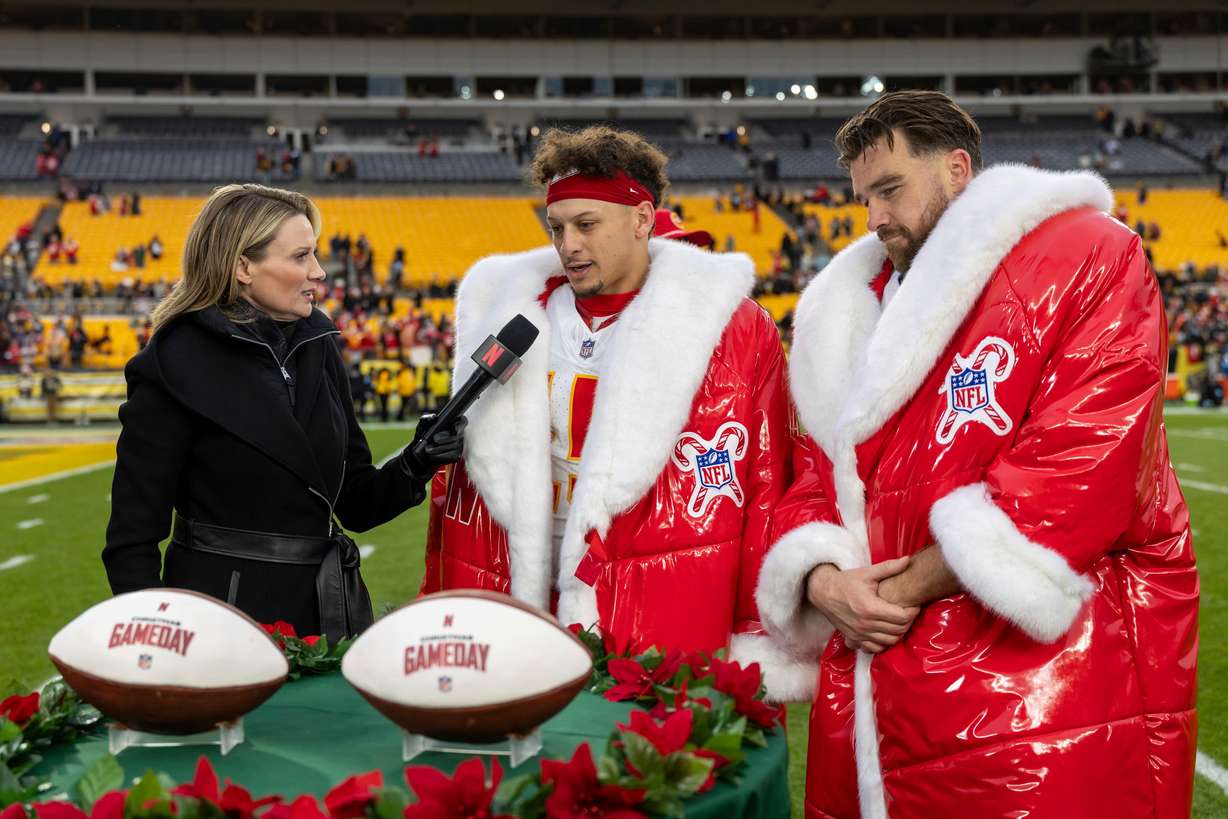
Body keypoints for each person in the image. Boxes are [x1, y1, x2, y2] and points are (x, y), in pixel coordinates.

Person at [755, 91, 1198, 816]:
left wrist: (887, 595)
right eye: (864, 197)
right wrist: (825, 581)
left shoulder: (1086, 255)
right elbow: (810, 478)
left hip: (1038, 690)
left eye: (891, 189)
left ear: (957, 169)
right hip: (871, 692)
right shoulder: (840, 310)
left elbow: (1079, 470)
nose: (875, 219)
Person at [422, 126, 797, 694]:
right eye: (557, 228)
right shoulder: (511, 317)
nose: (567, 244)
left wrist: (757, 632)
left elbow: (766, 486)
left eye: (586, 225)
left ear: (642, 218)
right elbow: (460, 498)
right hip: (521, 592)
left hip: (658, 603)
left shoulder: (733, 329)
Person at [103, 184, 467, 641]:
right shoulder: (174, 362)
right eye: (301, 257)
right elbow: (131, 540)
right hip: (220, 622)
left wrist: (417, 462)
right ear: (243, 267)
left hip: (326, 614)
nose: (319, 272)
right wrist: (154, 644)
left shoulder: (318, 346)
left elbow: (352, 501)